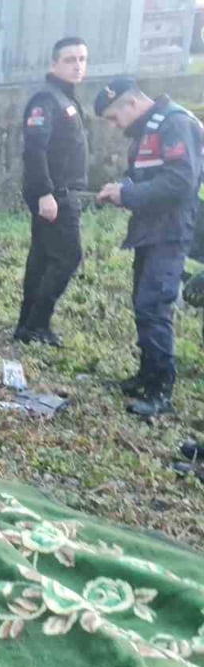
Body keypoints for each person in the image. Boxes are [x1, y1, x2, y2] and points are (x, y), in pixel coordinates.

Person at [95, 78, 204, 417]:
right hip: (150, 230)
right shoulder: (149, 130)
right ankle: (145, 376)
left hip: (172, 230)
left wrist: (127, 194)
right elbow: (144, 176)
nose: (114, 126)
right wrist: (122, 187)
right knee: (142, 304)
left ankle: (160, 391)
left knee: (153, 305)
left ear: (131, 103)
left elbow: (180, 181)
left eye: (114, 117)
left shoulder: (175, 123)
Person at [15, 37, 89, 347]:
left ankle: (26, 326)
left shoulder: (65, 99)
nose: (77, 65)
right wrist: (45, 193)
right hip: (55, 195)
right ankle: (37, 325)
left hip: (61, 193)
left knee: (43, 259)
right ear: (54, 64)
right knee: (68, 256)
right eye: (70, 59)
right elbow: (35, 149)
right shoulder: (47, 100)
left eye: (82, 59)